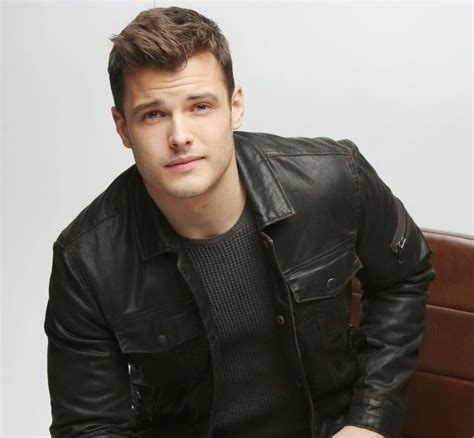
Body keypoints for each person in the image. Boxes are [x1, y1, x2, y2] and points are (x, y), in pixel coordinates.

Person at [44, 6, 435, 438]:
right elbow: (89, 426)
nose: (180, 136)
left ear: (235, 106)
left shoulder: (334, 178)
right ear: (122, 127)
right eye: (153, 114)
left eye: (200, 106)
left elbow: (405, 276)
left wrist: (370, 421)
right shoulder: (87, 260)